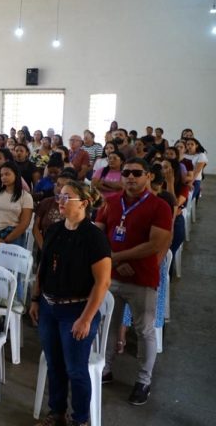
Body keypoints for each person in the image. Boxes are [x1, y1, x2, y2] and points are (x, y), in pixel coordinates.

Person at [29, 180, 111, 426]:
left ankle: (81, 419)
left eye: (67, 197)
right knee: (54, 364)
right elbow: (42, 267)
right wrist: (35, 298)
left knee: (75, 369)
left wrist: (86, 318)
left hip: (76, 310)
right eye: (59, 196)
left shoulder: (94, 237)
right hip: (49, 306)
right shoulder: (54, 229)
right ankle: (57, 413)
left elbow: (102, 283)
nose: (59, 201)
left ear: (84, 203)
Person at [95, 158, 173, 405]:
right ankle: (105, 370)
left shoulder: (159, 206)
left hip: (141, 279)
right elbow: (98, 234)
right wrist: (116, 262)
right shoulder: (110, 202)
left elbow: (156, 243)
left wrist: (118, 257)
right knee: (109, 325)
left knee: (144, 330)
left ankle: (143, 380)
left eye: (137, 173)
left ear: (148, 176)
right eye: (126, 172)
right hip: (112, 276)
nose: (130, 176)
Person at [0, 161, 33, 247]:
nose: (3, 177)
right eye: (2, 175)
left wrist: (7, 240)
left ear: (16, 174)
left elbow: (25, 222)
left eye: (7, 174)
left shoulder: (26, 196)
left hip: (15, 235)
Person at [32, 170, 76, 257]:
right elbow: (36, 228)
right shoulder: (46, 202)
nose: (60, 189)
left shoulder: (77, 206)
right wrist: (44, 248)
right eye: (58, 184)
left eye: (64, 186)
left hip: (68, 253)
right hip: (45, 249)